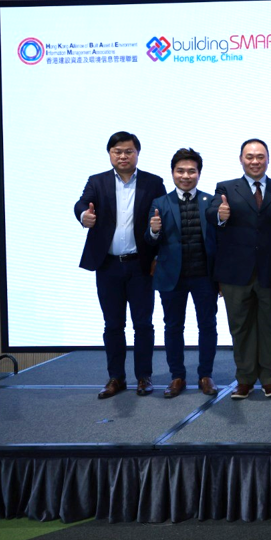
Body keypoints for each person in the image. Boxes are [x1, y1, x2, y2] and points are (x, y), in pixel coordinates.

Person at [74, 131, 166, 399]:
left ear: (137, 153)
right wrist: (84, 215)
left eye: (128, 151)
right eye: (117, 151)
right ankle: (116, 378)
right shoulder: (97, 182)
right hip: (109, 265)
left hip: (141, 265)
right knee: (113, 324)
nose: (123, 156)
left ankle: (144, 377)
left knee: (143, 324)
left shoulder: (153, 183)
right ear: (110, 154)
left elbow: (163, 221)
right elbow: (81, 203)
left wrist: (158, 257)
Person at [206, 138, 271, 400]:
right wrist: (220, 214)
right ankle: (244, 379)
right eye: (250, 156)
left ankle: (269, 379)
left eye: (260, 156)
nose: (255, 161)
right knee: (240, 327)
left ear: (268, 159)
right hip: (235, 272)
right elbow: (211, 213)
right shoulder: (226, 188)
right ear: (241, 159)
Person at [144, 148, 219, 398]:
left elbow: (219, 239)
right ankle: (177, 376)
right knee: (173, 326)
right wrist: (154, 231)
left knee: (207, 325)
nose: (186, 176)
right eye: (180, 171)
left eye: (191, 171)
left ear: (199, 173)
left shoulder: (211, 201)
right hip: (171, 276)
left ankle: (205, 375)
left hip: (204, 276)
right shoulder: (160, 203)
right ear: (173, 173)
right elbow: (149, 240)